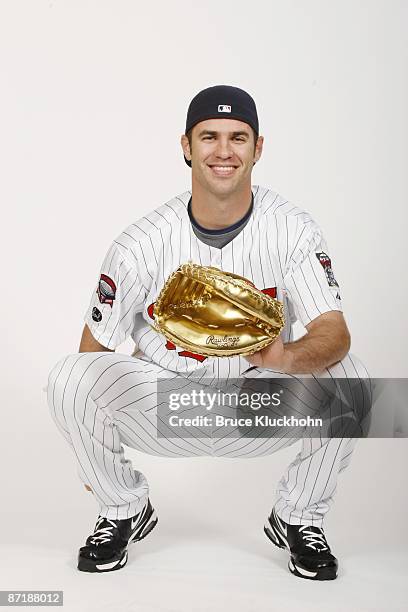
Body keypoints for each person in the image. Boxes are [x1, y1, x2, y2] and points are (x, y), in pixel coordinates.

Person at [47, 85, 369, 580]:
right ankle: (122, 508)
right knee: (69, 376)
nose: (223, 151)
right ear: (186, 146)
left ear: (258, 148)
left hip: (254, 404)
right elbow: (93, 354)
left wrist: (282, 360)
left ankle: (298, 517)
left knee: (353, 377)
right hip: (169, 406)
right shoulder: (141, 244)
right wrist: (90, 442)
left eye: (238, 137)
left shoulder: (292, 230)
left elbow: (335, 334)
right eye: (209, 137)